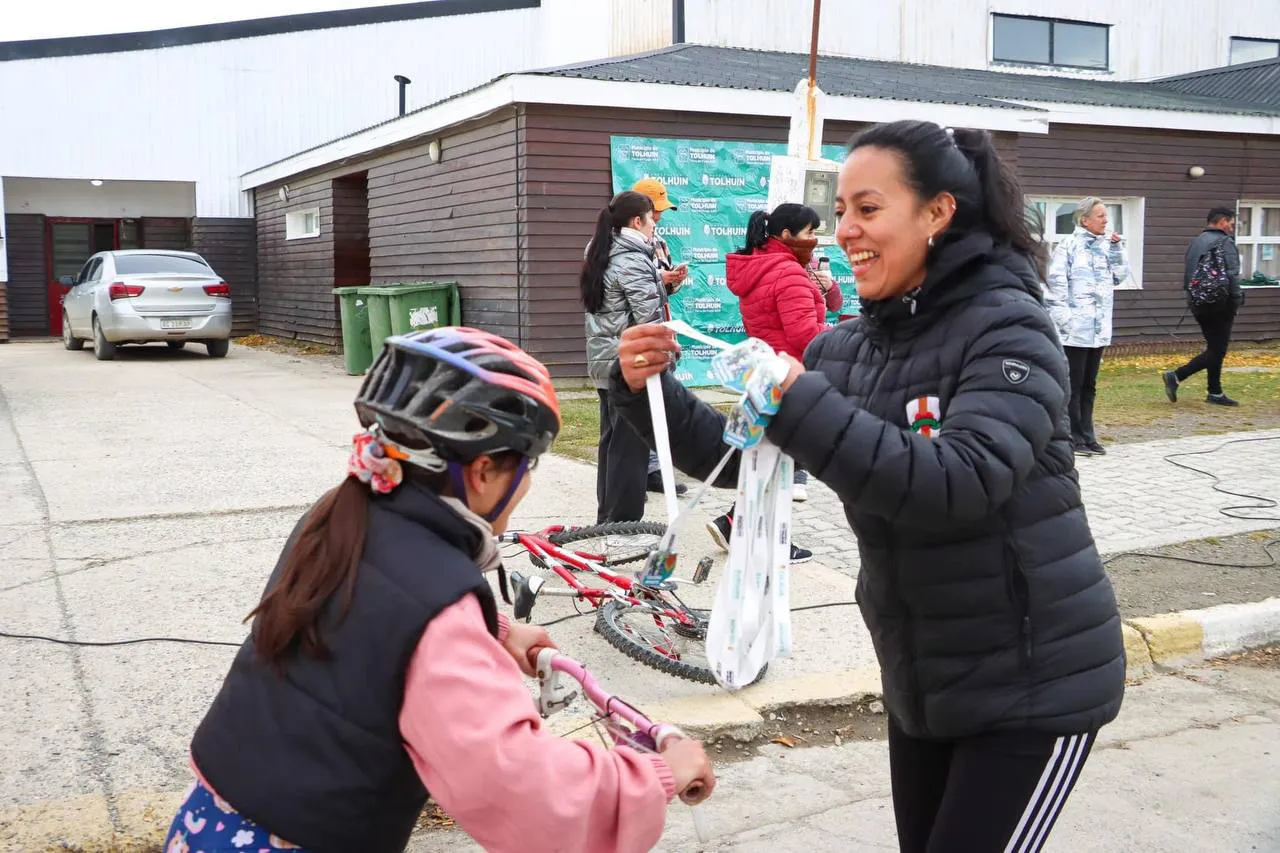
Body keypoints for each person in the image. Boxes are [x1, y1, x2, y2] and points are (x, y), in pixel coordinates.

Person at [610, 120, 1125, 853]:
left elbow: (961, 482)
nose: (842, 230)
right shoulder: (846, 348)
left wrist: (801, 401)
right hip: (923, 678)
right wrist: (643, 389)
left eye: (868, 209)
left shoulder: (1010, 328)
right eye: (841, 209)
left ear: (938, 212)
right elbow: (739, 457)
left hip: (1034, 685)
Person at [166, 327, 714, 853]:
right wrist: (658, 773)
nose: (526, 483)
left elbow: (375, 618)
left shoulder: (342, 513)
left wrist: (492, 629)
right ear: (480, 472)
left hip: (211, 818)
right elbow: (525, 791)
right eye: (527, 465)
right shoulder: (436, 609)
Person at [705, 202, 831, 563]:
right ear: (787, 235)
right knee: (781, 467)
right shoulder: (787, 272)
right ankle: (758, 535)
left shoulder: (762, 266)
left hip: (765, 373)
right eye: (810, 232)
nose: (815, 240)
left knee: (771, 460)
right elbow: (805, 333)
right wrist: (841, 335)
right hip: (788, 377)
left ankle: (734, 523)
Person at [583, 190, 668, 523]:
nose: (654, 227)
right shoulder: (631, 258)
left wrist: (661, 282)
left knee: (613, 443)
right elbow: (648, 317)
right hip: (631, 364)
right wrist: (665, 360)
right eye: (651, 220)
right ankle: (622, 525)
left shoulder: (603, 251)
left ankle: (607, 519)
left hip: (606, 360)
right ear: (637, 221)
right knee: (630, 448)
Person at [1044, 197, 1130, 457]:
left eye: (1106, 215)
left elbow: (1120, 275)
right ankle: (1072, 436)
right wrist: (1065, 321)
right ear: (1085, 219)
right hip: (1074, 331)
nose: (1106, 220)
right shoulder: (1068, 246)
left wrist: (1117, 249)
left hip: (1097, 330)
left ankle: (1088, 434)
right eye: (1101, 215)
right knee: (1074, 384)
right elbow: (1054, 287)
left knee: (1090, 385)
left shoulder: (1106, 246)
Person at [632, 177, 690, 497]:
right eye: (656, 211)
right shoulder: (618, 243)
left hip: (660, 324)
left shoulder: (660, 242)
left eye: (662, 211)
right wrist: (658, 279)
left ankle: (655, 467)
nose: (661, 216)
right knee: (641, 402)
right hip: (637, 334)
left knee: (661, 399)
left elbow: (663, 291)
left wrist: (674, 280)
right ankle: (647, 469)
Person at [1162, 207, 1244, 406]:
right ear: (1223, 221)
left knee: (1214, 347)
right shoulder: (1225, 243)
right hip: (1220, 303)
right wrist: (1236, 299)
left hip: (1198, 302)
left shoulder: (1196, 242)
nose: (1231, 228)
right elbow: (1232, 275)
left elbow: (1189, 274)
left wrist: (1193, 298)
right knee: (1218, 350)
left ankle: (1214, 392)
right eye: (1231, 224)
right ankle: (1177, 375)